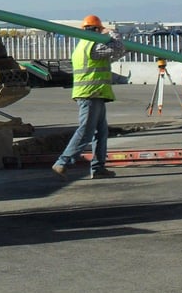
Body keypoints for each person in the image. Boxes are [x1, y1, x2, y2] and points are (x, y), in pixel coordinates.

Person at [52, 14, 126, 179]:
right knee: (86, 130)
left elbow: (111, 55)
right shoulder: (93, 45)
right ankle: (62, 162)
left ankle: (98, 168)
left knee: (100, 132)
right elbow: (119, 49)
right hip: (91, 93)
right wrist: (113, 34)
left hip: (94, 93)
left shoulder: (82, 46)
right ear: (97, 29)